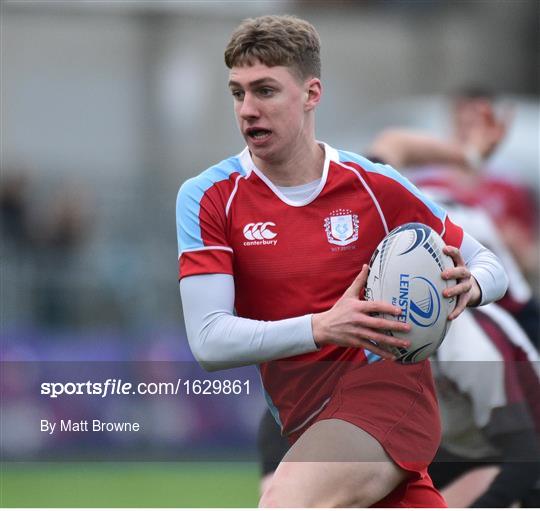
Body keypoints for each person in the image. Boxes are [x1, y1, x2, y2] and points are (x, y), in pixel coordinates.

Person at [176, 15, 508, 507]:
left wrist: (470, 286)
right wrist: (323, 326)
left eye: (266, 91)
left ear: (311, 94)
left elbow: (491, 266)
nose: (248, 109)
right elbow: (208, 342)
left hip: (387, 392)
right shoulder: (208, 197)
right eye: (237, 93)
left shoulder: (375, 186)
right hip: (304, 415)